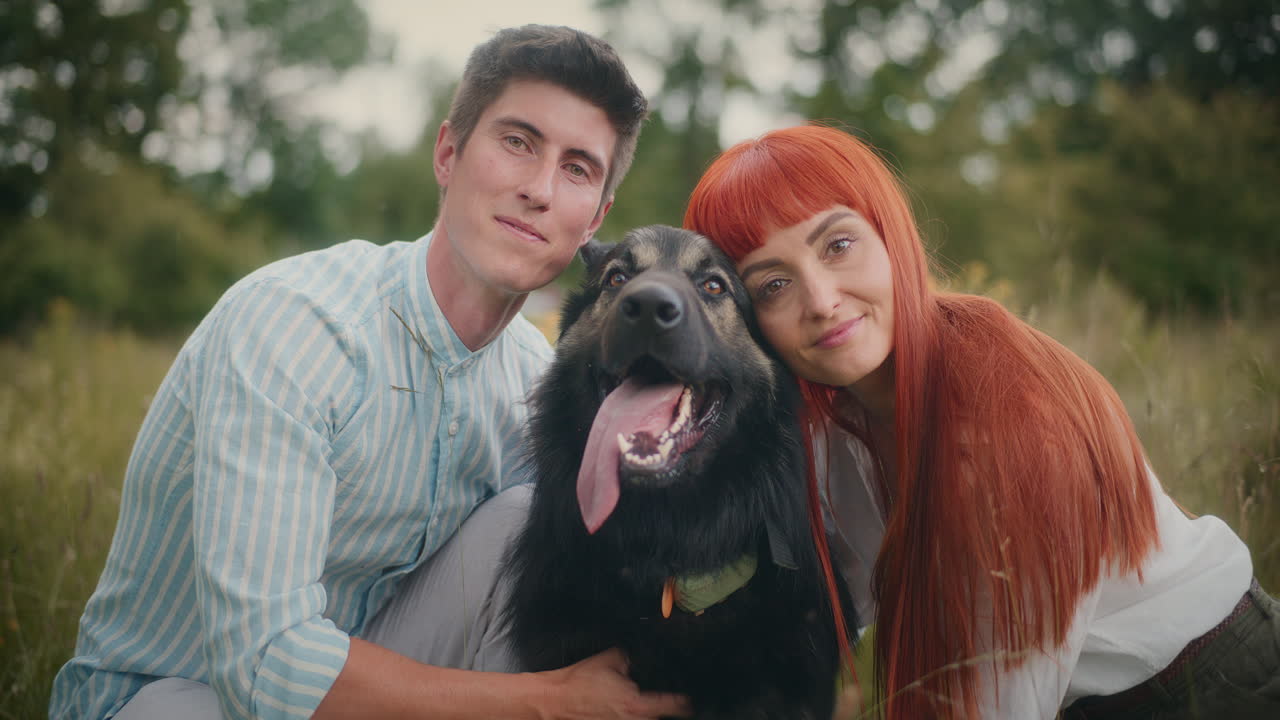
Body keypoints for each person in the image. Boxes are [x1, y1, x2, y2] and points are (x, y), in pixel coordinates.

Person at [50, 25, 692, 720]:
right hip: (175, 696)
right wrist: (547, 703)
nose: (540, 188)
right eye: (517, 142)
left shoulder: (535, 377)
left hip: (374, 673)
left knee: (523, 524)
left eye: (576, 169)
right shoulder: (297, 327)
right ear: (448, 153)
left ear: (595, 218)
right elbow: (265, 668)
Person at [683, 124, 1280, 719]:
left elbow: (988, 703)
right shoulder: (829, 422)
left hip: (1219, 681)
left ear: (892, 237)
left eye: (838, 246)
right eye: (773, 285)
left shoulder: (1003, 410)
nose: (820, 300)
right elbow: (804, 615)